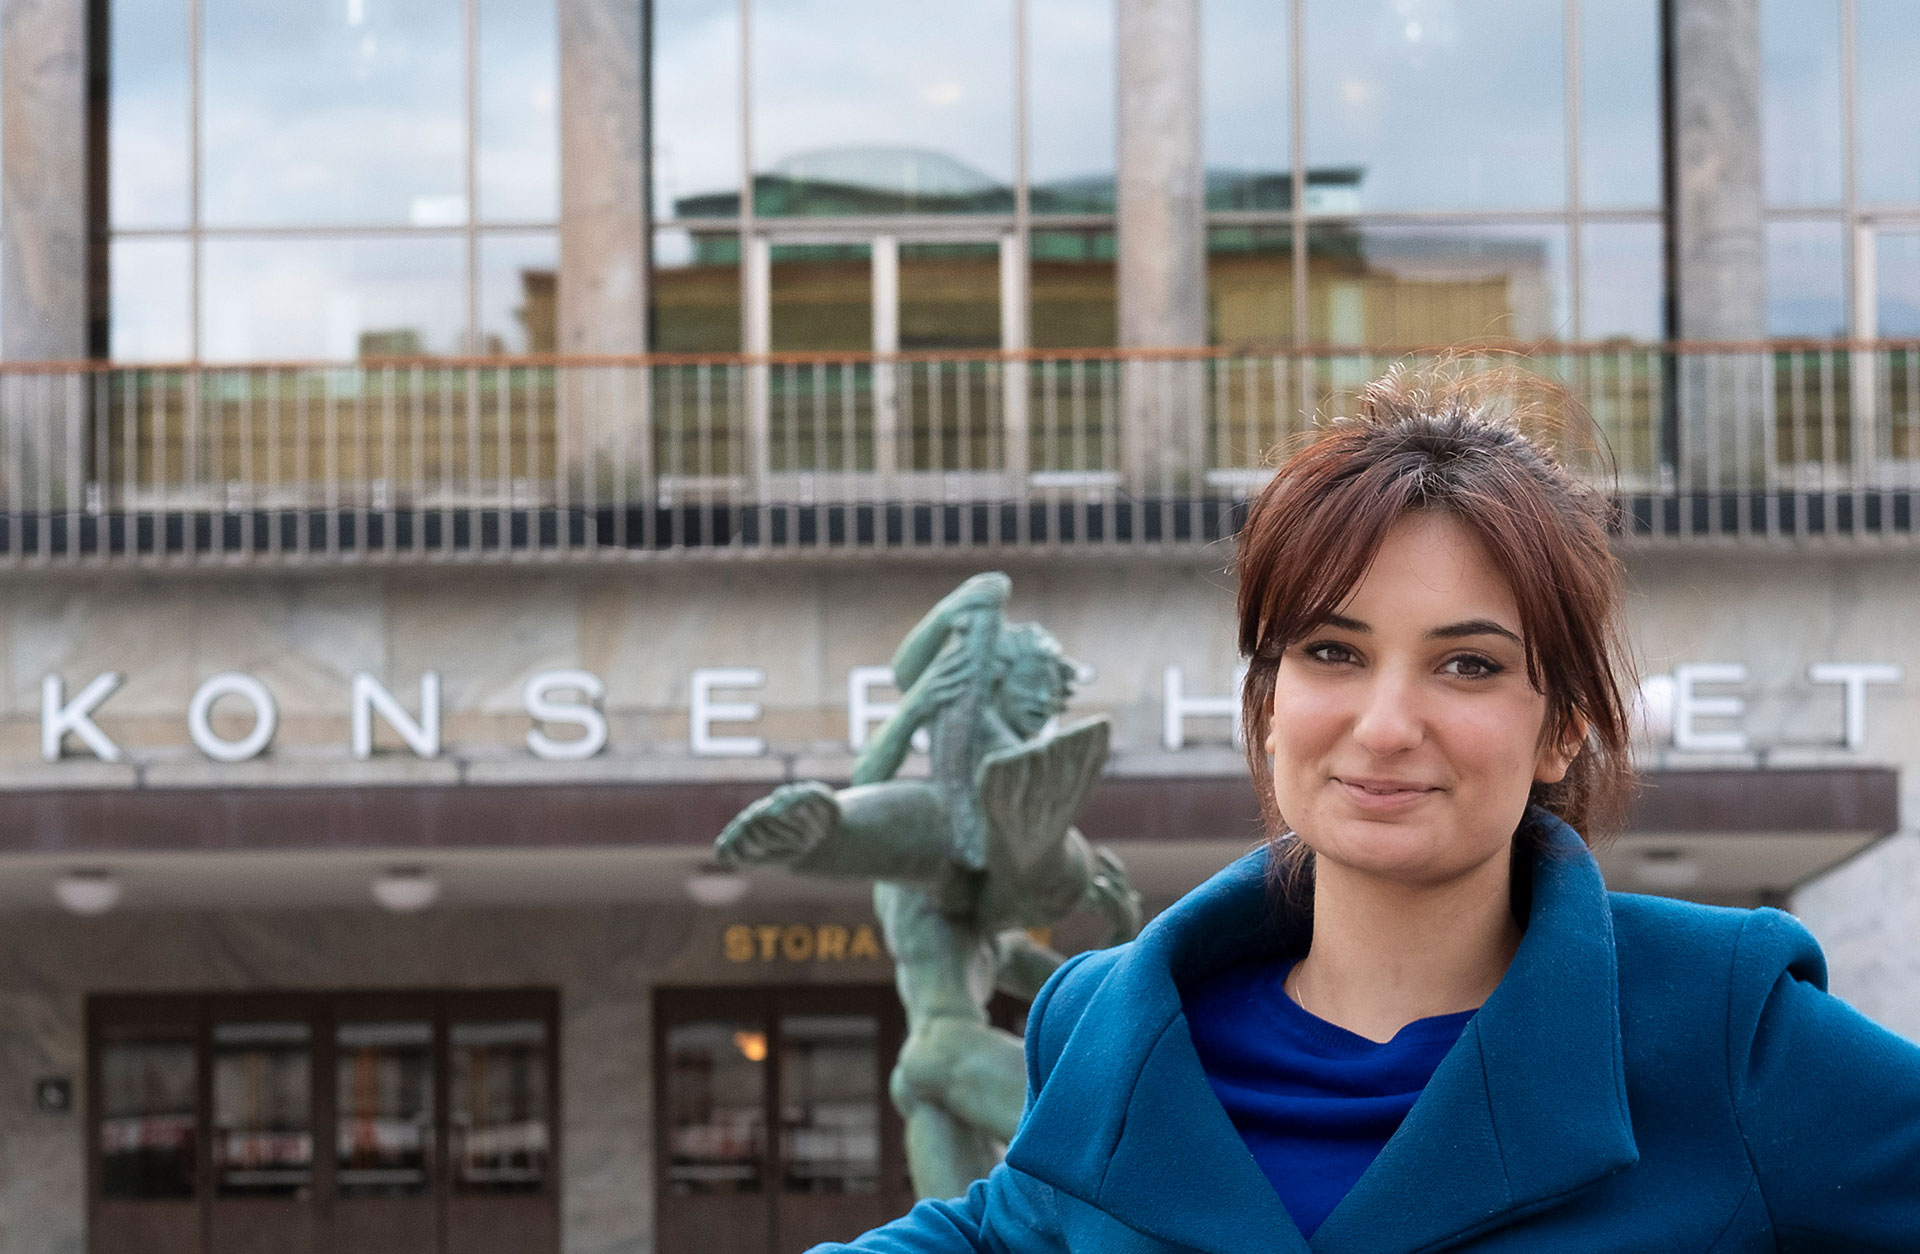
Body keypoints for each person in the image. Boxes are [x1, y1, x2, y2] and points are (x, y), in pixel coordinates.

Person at [806, 365, 1920, 1252]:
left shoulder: (1720, 1031)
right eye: (1333, 652)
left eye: (1469, 666)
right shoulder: (1112, 1020)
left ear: (1565, 723)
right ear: (1267, 705)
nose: (1386, 724)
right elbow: (1006, 1233)